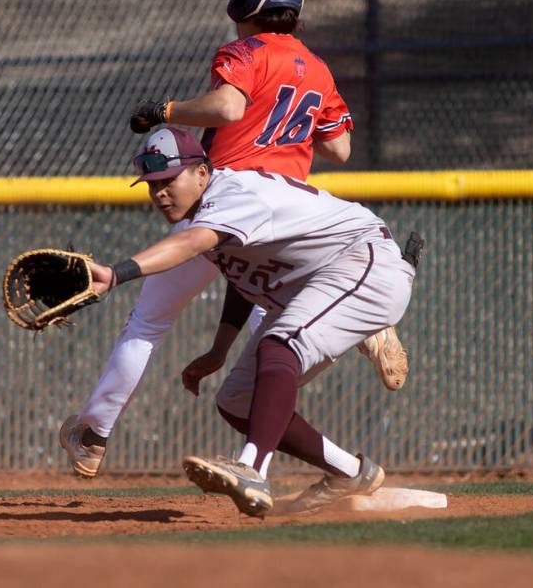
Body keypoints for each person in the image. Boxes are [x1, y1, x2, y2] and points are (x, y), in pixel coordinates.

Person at [58, 0, 407, 482]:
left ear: (247, 2)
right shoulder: (316, 66)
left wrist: (164, 110)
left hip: (227, 197)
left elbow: (227, 110)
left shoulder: (244, 50)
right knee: (275, 316)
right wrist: (290, 122)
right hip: (291, 211)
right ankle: (365, 332)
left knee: (149, 322)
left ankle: (95, 433)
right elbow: (339, 149)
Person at [84, 128, 415, 517]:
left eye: (169, 180)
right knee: (237, 402)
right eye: (153, 184)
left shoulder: (232, 195)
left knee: (281, 344)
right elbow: (245, 279)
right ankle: (352, 473)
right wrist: (220, 350)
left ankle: (253, 470)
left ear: (202, 173)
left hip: (365, 263)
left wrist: (116, 273)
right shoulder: (208, 213)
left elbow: (190, 245)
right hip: (312, 286)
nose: (159, 193)